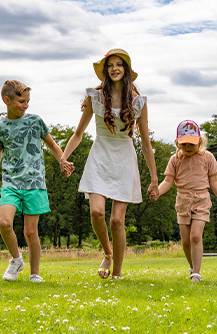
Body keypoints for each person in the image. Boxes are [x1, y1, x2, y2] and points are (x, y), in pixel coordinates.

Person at [60, 48, 158, 280]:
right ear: (105, 70)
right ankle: (107, 252)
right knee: (96, 212)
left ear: (126, 70)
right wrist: (64, 157)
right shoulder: (94, 97)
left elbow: (145, 143)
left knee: (116, 220)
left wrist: (154, 179)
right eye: (110, 65)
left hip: (124, 158)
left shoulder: (138, 102)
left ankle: (117, 274)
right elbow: (78, 133)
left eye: (119, 65)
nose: (115, 68)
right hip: (100, 156)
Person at [0, 80, 67, 283]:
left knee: (30, 231)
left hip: (34, 183)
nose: (25, 105)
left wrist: (63, 161)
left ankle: (34, 273)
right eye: (21, 102)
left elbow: (52, 145)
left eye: (27, 101)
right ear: (7, 100)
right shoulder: (0, 127)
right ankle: (16, 259)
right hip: (11, 183)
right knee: (4, 223)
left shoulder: (35, 121)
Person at [151, 120, 217, 282]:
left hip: (201, 199)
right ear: (178, 143)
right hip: (183, 201)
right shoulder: (175, 160)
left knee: (196, 236)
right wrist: (157, 192)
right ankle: (192, 266)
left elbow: (214, 180)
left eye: (192, 144)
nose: (188, 148)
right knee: (186, 240)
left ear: (200, 142)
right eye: (184, 144)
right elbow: (168, 181)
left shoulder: (207, 157)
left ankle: (196, 272)